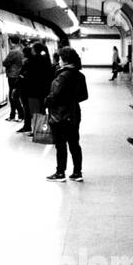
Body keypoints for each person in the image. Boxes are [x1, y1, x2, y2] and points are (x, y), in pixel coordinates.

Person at [45, 47, 88, 181]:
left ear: (63, 60)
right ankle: (77, 173)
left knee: (61, 145)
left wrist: (46, 101)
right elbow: (84, 95)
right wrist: (71, 101)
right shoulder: (80, 75)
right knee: (74, 144)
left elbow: (54, 96)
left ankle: (60, 173)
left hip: (60, 115)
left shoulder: (62, 76)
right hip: (74, 114)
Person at [18, 41, 54, 136]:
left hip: (34, 91)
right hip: (44, 90)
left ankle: (38, 132)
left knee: (35, 111)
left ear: (35, 51)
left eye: (33, 49)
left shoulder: (33, 61)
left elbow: (30, 76)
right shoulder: (46, 60)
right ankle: (41, 130)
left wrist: (23, 77)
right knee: (41, 110)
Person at [2, 37, 25, 121]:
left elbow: (5, 63)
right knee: (15, 95)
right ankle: (13, 115)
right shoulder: (21, 50)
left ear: (11, 42)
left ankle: (20, 115)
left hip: (12, 76)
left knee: (13, 96)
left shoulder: (13, 52)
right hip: (19, 75)